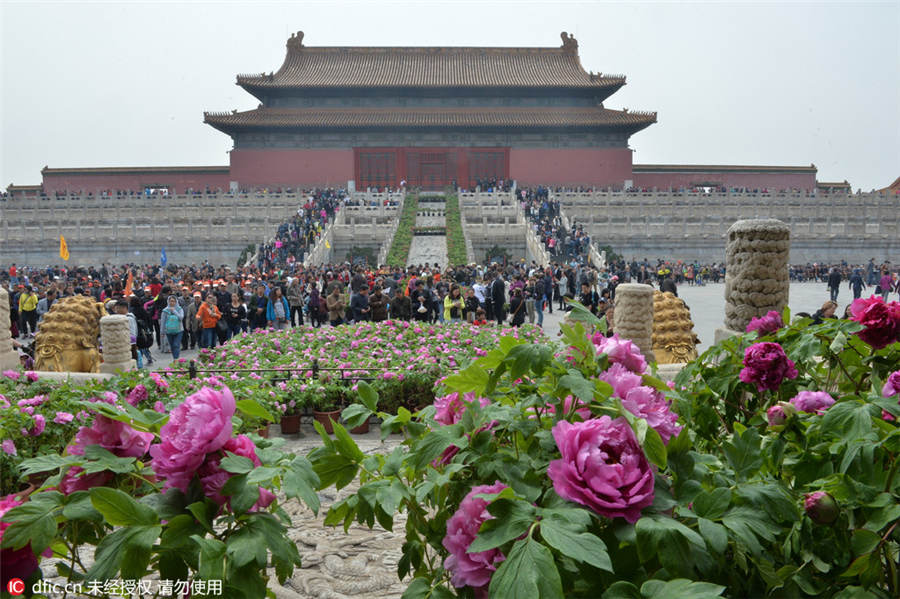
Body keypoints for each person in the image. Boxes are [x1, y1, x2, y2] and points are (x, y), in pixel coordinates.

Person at [160, 295, 184, 360]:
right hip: (169, 331)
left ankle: (176, 359)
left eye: (173, 301)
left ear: (176, 302)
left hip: (179, 330)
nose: (172, 303)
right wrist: (162, 332)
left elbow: (181, 318)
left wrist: (174, 311)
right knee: (172, 346)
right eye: (170, 301)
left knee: (176, 345)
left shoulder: (179, 309)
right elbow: (163, 322)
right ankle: (175, 358)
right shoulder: (165, 311)